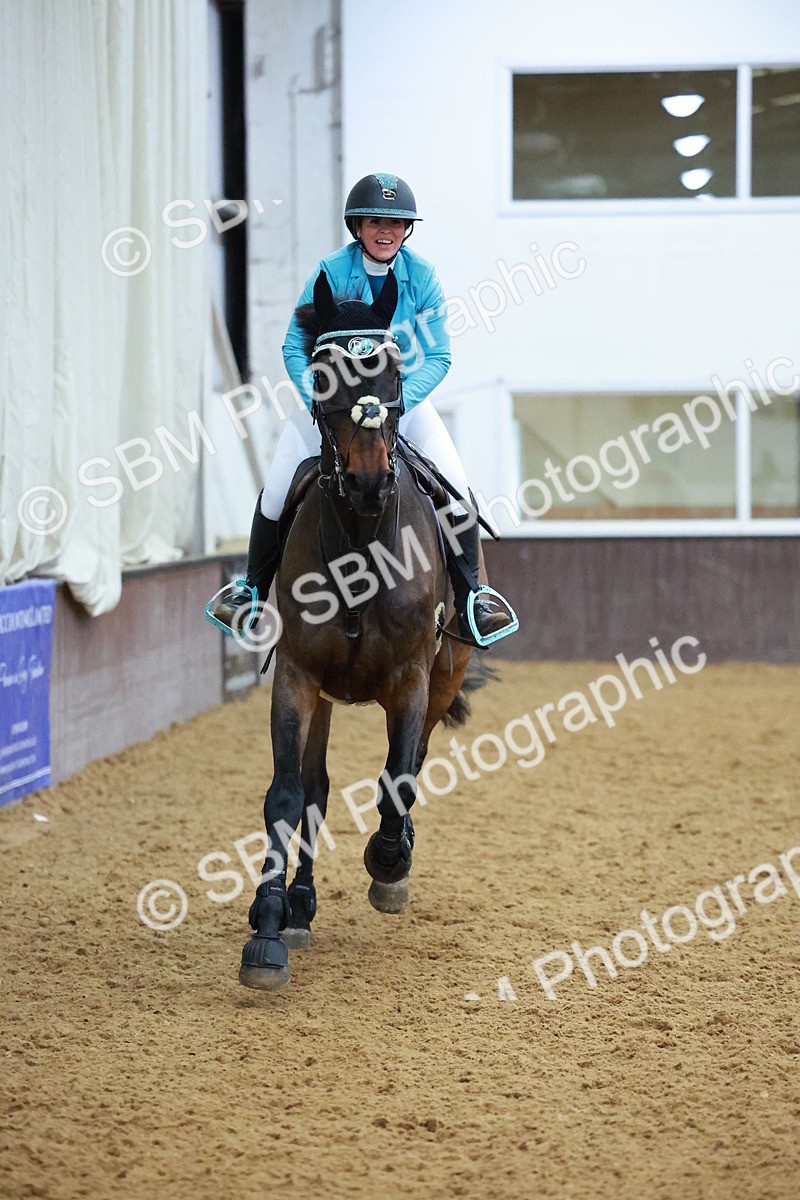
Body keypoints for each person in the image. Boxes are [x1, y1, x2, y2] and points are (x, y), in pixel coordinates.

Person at [215, 172, 514, 643]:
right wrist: (317, 395)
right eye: (376, 221)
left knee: (456, 488)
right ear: (358, 225)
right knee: (276, 491)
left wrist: (395, 405)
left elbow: (439, 356)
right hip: (333, 407)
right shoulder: (331, 272)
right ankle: (250, 591)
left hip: (402, 405)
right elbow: (295, 345)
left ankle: (475, 595)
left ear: (406, 230)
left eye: (396, 224)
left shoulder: (423, 277)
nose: (386, 231)